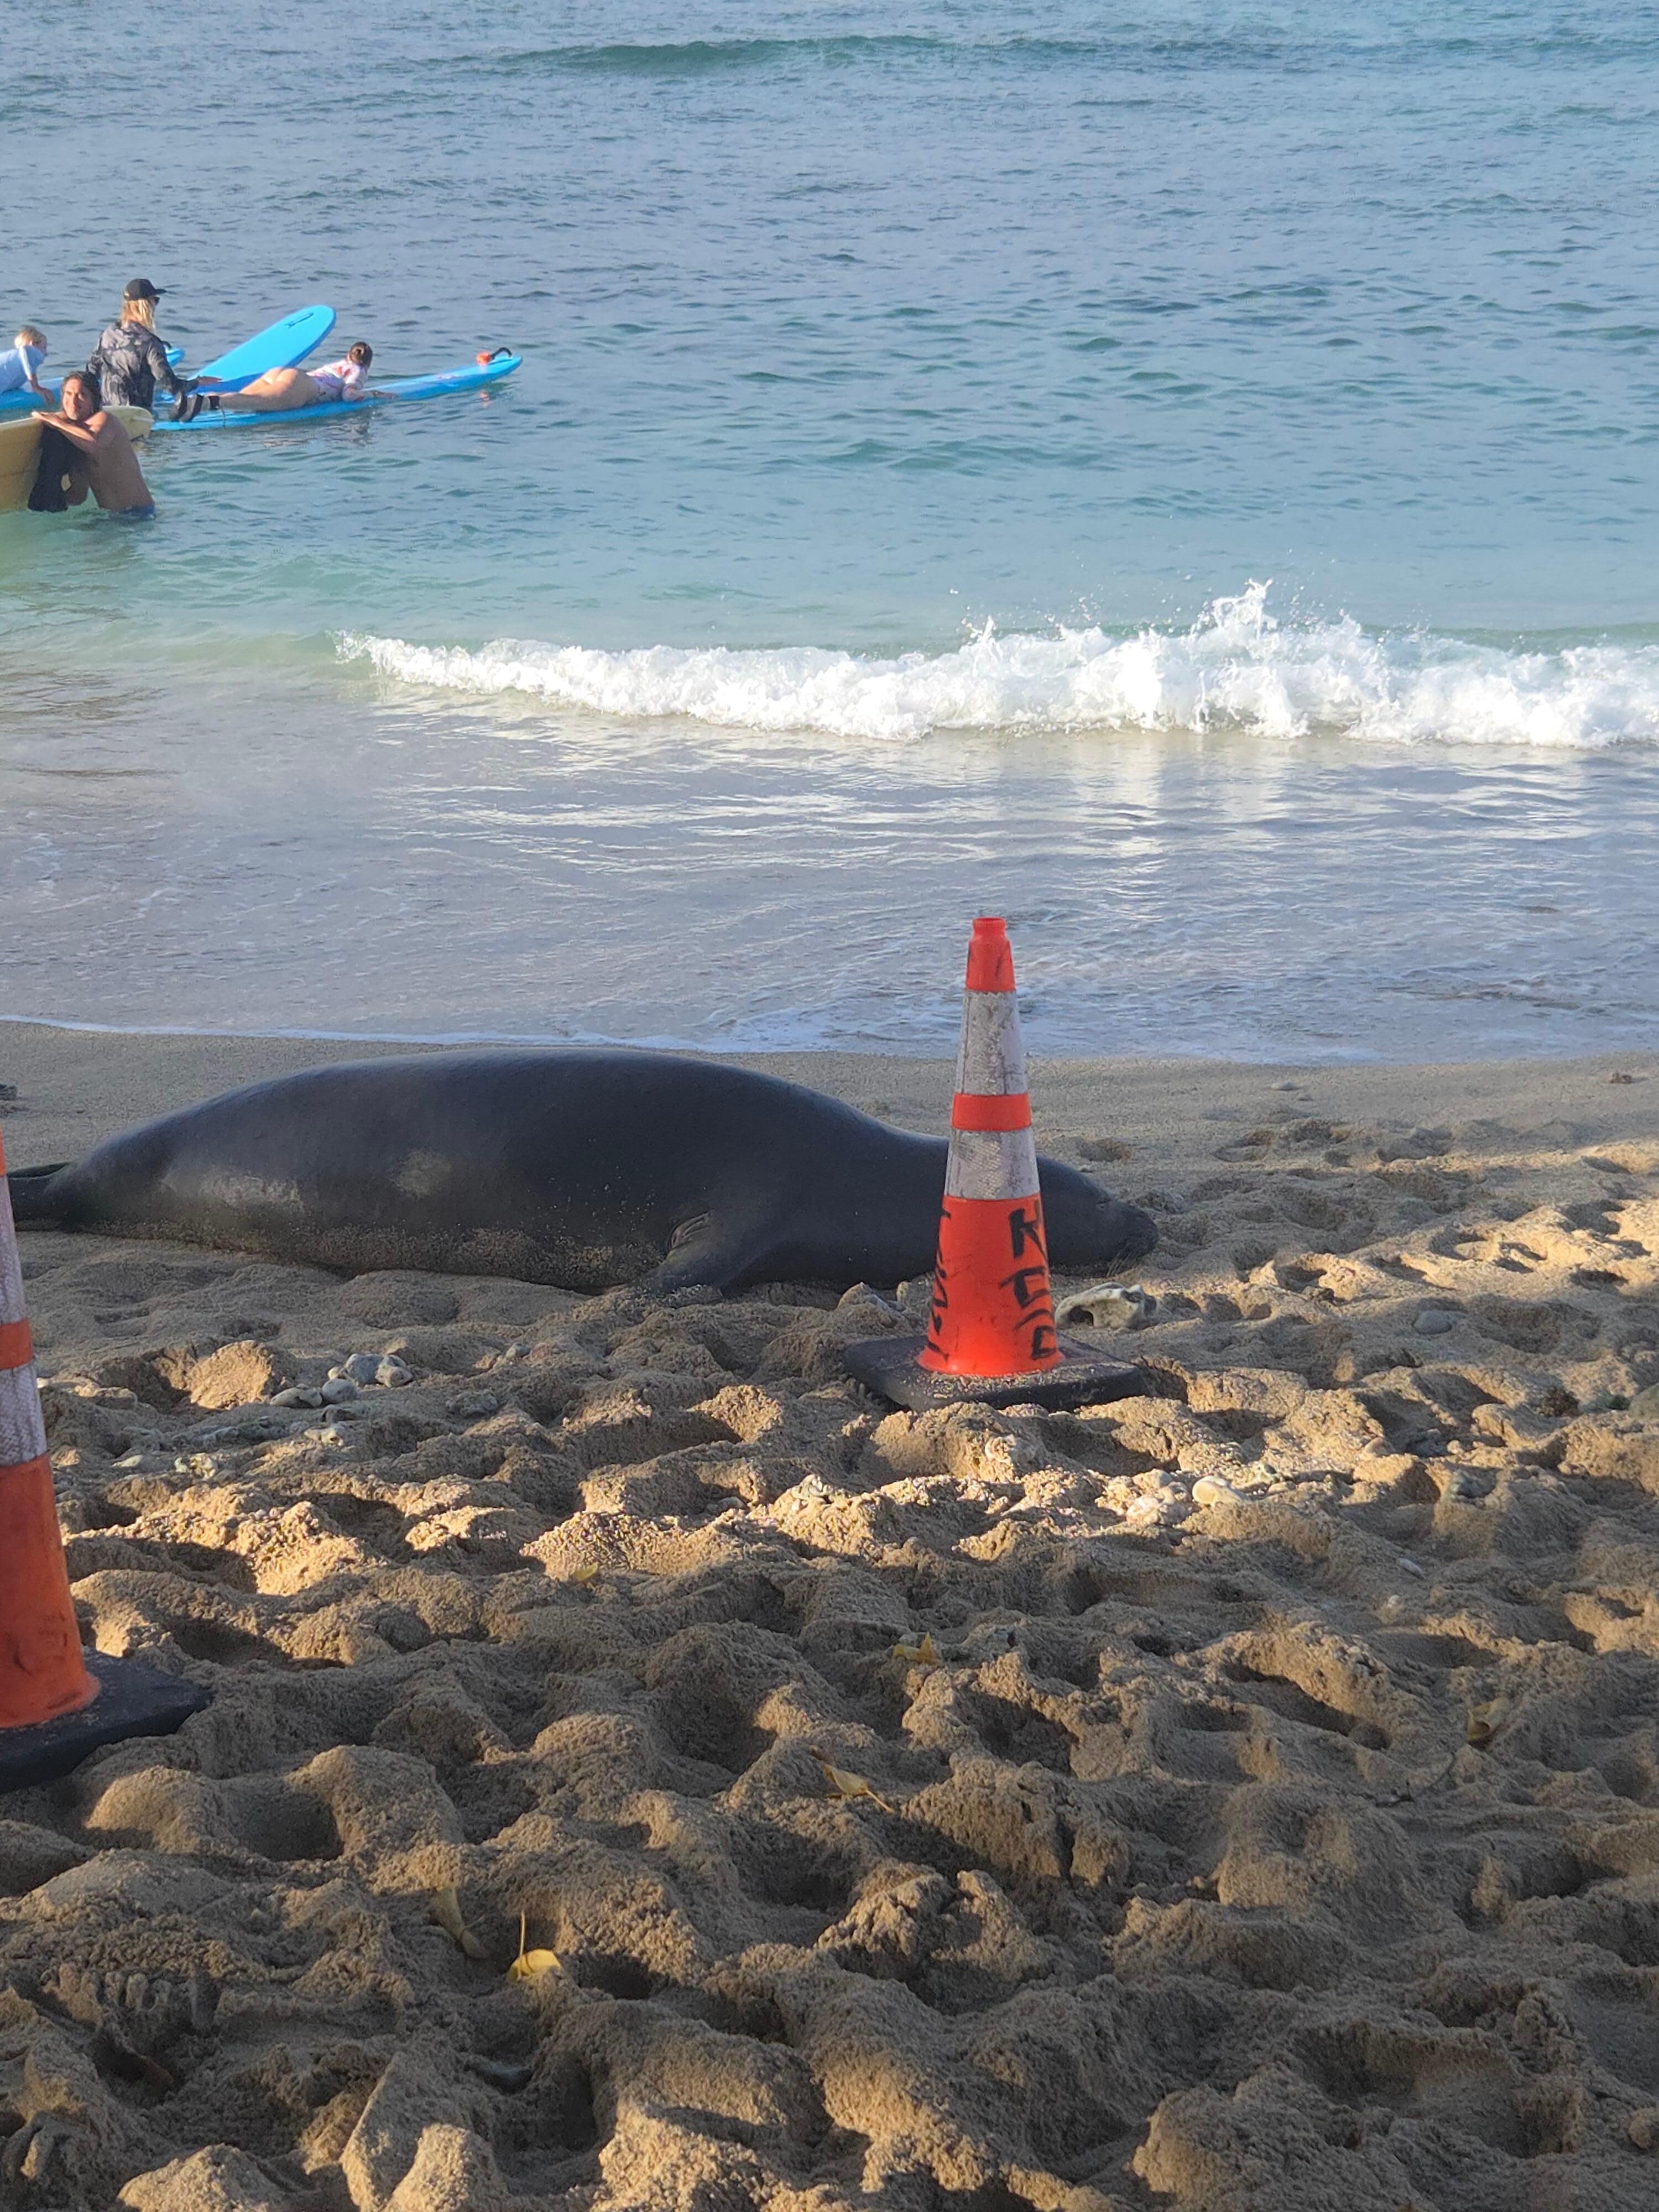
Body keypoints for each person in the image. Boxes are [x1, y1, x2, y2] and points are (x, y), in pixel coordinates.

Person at [33, 369, 155, 519]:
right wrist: (47, 501)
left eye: (82, 395)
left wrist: (56, 422)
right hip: (111, 518)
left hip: (140, 515)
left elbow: (92, 443)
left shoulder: (105, 420)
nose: (74, 402)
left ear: (94, 400)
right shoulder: (73, 436)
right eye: (69, 394)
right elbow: (79, 496)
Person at [191, 341, 374, 418]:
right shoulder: (358, 370)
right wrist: (374, 394)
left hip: (283, 374)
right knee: (256, 402)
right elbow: (349, 395)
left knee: (242, 400)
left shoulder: (340, 364)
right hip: (303, 386)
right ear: (368, 364)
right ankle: (206, 403)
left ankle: (190, 404)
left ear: (347, 355)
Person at [87, 279, 191, 413]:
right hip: (137, 417)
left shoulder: (107, 334)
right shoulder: (151, 343)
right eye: (155, 300)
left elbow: (91, 374)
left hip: (106, 413)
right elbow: (170, 385)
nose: (156, 305)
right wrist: (197, 383)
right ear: (146, 306)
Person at [0, 326, 50, 400]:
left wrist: (36, 385)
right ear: (33, 344)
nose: (46, 353)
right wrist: (35, 387)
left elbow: (31, 370)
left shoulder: (27, 360)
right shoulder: (27, 351)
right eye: (44, 348)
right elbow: (26, 362)